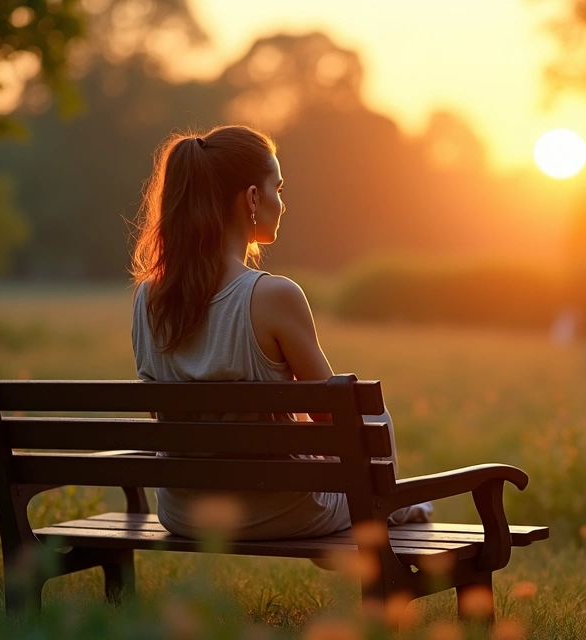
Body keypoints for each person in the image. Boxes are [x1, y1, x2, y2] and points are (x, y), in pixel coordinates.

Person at [129, 125, 432, 540]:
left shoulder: (147, 298)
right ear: (253, 198)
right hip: (282, 509)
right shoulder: (272, 295)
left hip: (184, 513)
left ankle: (398, 509)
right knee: (372, 413)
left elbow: (161, 417)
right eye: (279, 188)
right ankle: (390, 512)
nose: (283, 204)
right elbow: (332, 416)